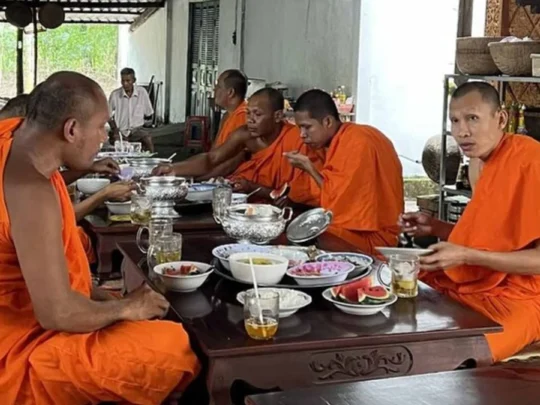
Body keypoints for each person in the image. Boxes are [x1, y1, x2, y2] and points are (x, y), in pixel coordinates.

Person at [0, 72, 199, 404]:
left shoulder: (15, 147)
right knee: (171, 345)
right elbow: (57, 314)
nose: (104, 137)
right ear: (71, 129)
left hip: (30, 309)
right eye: (101, 127)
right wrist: (126, 307)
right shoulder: (30, 189)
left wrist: (105, 300)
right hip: (20, 345)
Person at [400, 81, 540, 362]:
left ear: (501, 119)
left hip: (522, 297)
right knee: (402, 304)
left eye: (472, 118)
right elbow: (495, 236)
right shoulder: (479, 164)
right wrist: (437, 228)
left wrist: (464, 255)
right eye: (455, 120)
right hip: (474, 283)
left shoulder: (530, 161)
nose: (461, 131)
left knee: (463, 350)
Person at [0, 95, 136, 265]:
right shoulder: (11, 157)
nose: (103, 138)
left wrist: (89, 167)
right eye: (99, 127)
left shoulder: (16, 154)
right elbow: (53, 219)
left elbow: (45, 181)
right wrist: (103, 194)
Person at [153, 88, 324, 206]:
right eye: (248, 113)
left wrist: (252, 187)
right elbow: (212, 158)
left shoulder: (298, 139)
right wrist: (173, 169)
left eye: (257, 114)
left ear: (278, 116)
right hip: (248, 206)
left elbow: (302, 195)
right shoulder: (244, 135)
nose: (250, 119)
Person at [285, 89, 403, 255]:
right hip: (358, 226)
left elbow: (336, 203)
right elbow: (307, 194)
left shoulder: (356, 142)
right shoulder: (341, 140)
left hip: (375, 236)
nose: (302, 135)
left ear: (327, 121)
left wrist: (309, 167)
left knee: (304, 236)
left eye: (307, 127)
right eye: (299, 128)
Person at [109, 67, 155, 152]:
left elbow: (149, 113)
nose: (125, 84)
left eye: (128, 81)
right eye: (123, 81)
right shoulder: (115, 95)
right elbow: (108, 115)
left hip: (137, 130)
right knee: (119, 144)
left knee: (148, 138)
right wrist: (115, 129)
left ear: (134, 80)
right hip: (120, 130)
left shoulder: (142, 92)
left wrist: (140, 122)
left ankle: (151, 160)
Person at [212, 69, 248, 148]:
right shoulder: (227, 115)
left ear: (231, 92)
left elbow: (235, 157)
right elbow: (215, 150)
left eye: (218, 86)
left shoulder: (243, 117)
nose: (214, 89)